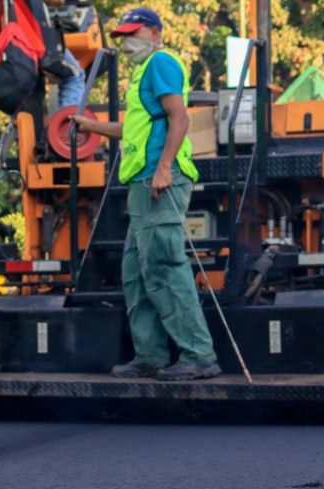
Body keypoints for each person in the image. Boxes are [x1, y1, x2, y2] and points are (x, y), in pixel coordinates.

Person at [71, 8, 220, 381]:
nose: (126, 42)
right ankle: (150, 355)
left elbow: (179, 118)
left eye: (133, 33)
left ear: (155, 32)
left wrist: (165, 167)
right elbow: (133, 128)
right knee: (136, 274)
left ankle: (199, 355)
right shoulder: (142, 74)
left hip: (158, 180)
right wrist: (91, 125)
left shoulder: (161, 63)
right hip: (142, 183)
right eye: (122, 36)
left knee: (165, 268)